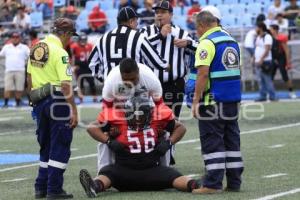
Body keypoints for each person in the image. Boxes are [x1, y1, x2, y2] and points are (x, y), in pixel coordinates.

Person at [79, 95, 200, 197]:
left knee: (108, 173)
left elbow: (181, 128)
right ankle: (194, 184)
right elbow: (91, 128)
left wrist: (169, 142)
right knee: (108, 173)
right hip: (138, 172)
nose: (137, 119)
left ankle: (194, 184)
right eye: (133, 114)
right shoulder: (118, 119)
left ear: (149, 113)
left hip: (142, 172)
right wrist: (109, 140)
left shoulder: (157, 119)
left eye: (140, 115)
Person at [191, 11, 244, 194]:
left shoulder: (207, 43)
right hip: (232, 100)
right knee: (232, 142)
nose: (196, 32)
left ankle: (212, 184)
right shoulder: (232, 41)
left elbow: (203, 73)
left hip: (212, 101)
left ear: (201, 26)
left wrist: (196, 100)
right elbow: (238, 71)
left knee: (212, 142)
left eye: (196, 28)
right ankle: (234, 182)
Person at [27, 18, 78, 199]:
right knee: (60, 144)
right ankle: (54, 189)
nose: (70, 40)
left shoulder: (36, 47)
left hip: (39, 99)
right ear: (65, 33)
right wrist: (74, 110)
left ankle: (40, 187)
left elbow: (30, 78)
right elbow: (65, 85)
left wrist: (33, 103)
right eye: (71, 35)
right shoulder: (60, 52)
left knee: (45, 145)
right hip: (58, 101)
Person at [97, 58, 172, 170]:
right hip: (121, 114)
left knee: (165, 135)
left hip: (145, 113)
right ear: (120, 75)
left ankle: (165, 169)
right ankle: (103, 172)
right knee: (104, 138)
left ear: (138, 71)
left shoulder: (150, 79)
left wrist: (160, 126)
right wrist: (110, 128)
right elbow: (106, 108)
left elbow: (160, 106)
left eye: (133, 79)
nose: (129, 83)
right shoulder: (112, 81)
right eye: (125, 80)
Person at [141, 0, 198, 118]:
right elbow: (138, 48)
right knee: (152, 121)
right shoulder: (145, 31)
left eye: (163, 12)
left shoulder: (181, 33)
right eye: (157, 12)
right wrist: (160, 36)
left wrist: (187, 43)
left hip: (175, 85)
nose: (159, 15)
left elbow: (200, 48)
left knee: (172, 121)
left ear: (171, 15)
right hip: (151, 84)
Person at [88, 6, 168, 81]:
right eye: (136, 20)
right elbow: (157, 63)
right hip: (134, 88)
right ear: (131, 21)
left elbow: (92, 62)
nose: (137, 24)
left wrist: (104, 78)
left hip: (112, 88)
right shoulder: (138, 37)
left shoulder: (102, 38)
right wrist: (166, 66)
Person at [0, 32, 30, 107]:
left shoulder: (24, 47)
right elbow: (1, 55)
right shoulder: (6, 47)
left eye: (17, 37)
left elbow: (30, 56)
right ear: (11, 39)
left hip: (20, 70)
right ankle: (6, 103)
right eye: (13, 37)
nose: (15, 39)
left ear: (19, 38)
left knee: (19, 88)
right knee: (7, 87)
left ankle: (18, 102)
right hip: (9, 70)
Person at [269, 24, 297, 99]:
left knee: (284, 76)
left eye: (271, 29)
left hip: (281, 58)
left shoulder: (281, 37)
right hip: (273, 58)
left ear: (275, 30)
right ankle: (270, 92)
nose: (270, 30)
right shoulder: (269, 38)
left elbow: (287, 50)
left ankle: (291, 91)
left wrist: (288, 62)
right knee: (270, 77)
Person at [70, 32, 97, 103]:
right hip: (79, 67)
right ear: (78, 40)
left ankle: (94, 97)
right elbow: (71, 56)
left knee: (92, 82)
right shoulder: (74, 46)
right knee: (80, 83)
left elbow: (93, 56)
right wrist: (73, 66)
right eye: (82, 40)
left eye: (84, 40)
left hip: (88, 66)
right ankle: (81, 98)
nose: (83, 42)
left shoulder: (90, 46)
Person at [254, 22, 277, 101]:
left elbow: (267, 49)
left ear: (260, 28)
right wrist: (254, 58)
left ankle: (272, 96)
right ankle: (263, 96)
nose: (255, 29)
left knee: (267, 80)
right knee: (261, 80)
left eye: (256, 27)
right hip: (258, 61)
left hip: (265, 61)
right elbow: (257, 48)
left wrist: (261, 59)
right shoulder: (258, 37)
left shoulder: (267, 37)